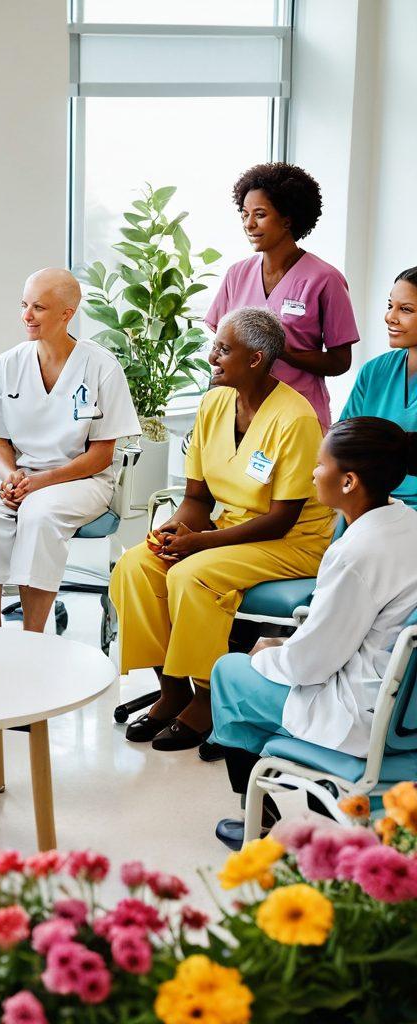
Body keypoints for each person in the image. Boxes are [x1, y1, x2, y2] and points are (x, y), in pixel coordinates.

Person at [110, 307, 335, 751]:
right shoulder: (213, 403)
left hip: (291, 541)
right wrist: (173, 532)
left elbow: (281, 518)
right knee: (138, 563)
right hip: (226, 529)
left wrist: (199, 544)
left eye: (222, 349)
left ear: (255, 359)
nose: (211, 356)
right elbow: (197, 498)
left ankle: (210, 699)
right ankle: (172, 689)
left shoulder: (296, 419)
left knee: (192, 574)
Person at [210, 418, 417, 849]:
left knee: (230, 673)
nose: (312, 473)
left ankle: (264, 822)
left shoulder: (359, 553)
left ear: (348, 481)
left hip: (363, 717)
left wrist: (267, 651)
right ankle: (321, 810)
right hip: (407, 712)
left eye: (319, 465)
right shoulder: (407, 523)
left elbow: (311, 664)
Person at [0, 267, 141, 632]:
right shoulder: (8, 364)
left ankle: (32, 639)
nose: (26, 316)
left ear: (66, 314)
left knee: (39, 516)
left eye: (38, 307)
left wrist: (39, 483)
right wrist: (10, 478)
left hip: (80, 477)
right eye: (24, 305)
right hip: (17, 472)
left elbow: (101, 456)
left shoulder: (101, 367)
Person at [206, 162, 359, 431]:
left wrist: (284, 352)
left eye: (260, 214)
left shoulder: (325, 279)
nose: (249, 224)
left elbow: (339, 361)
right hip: (239, 416)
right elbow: (221, 352)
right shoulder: (236, 274)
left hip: (297, 416)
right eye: (244, 215)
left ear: (288, 219)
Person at [339, 266, 417, 507]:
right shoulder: (374, 371)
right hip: (367, 503)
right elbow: (343, 441)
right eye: (390, 305)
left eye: (405, 309)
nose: (390, 317)